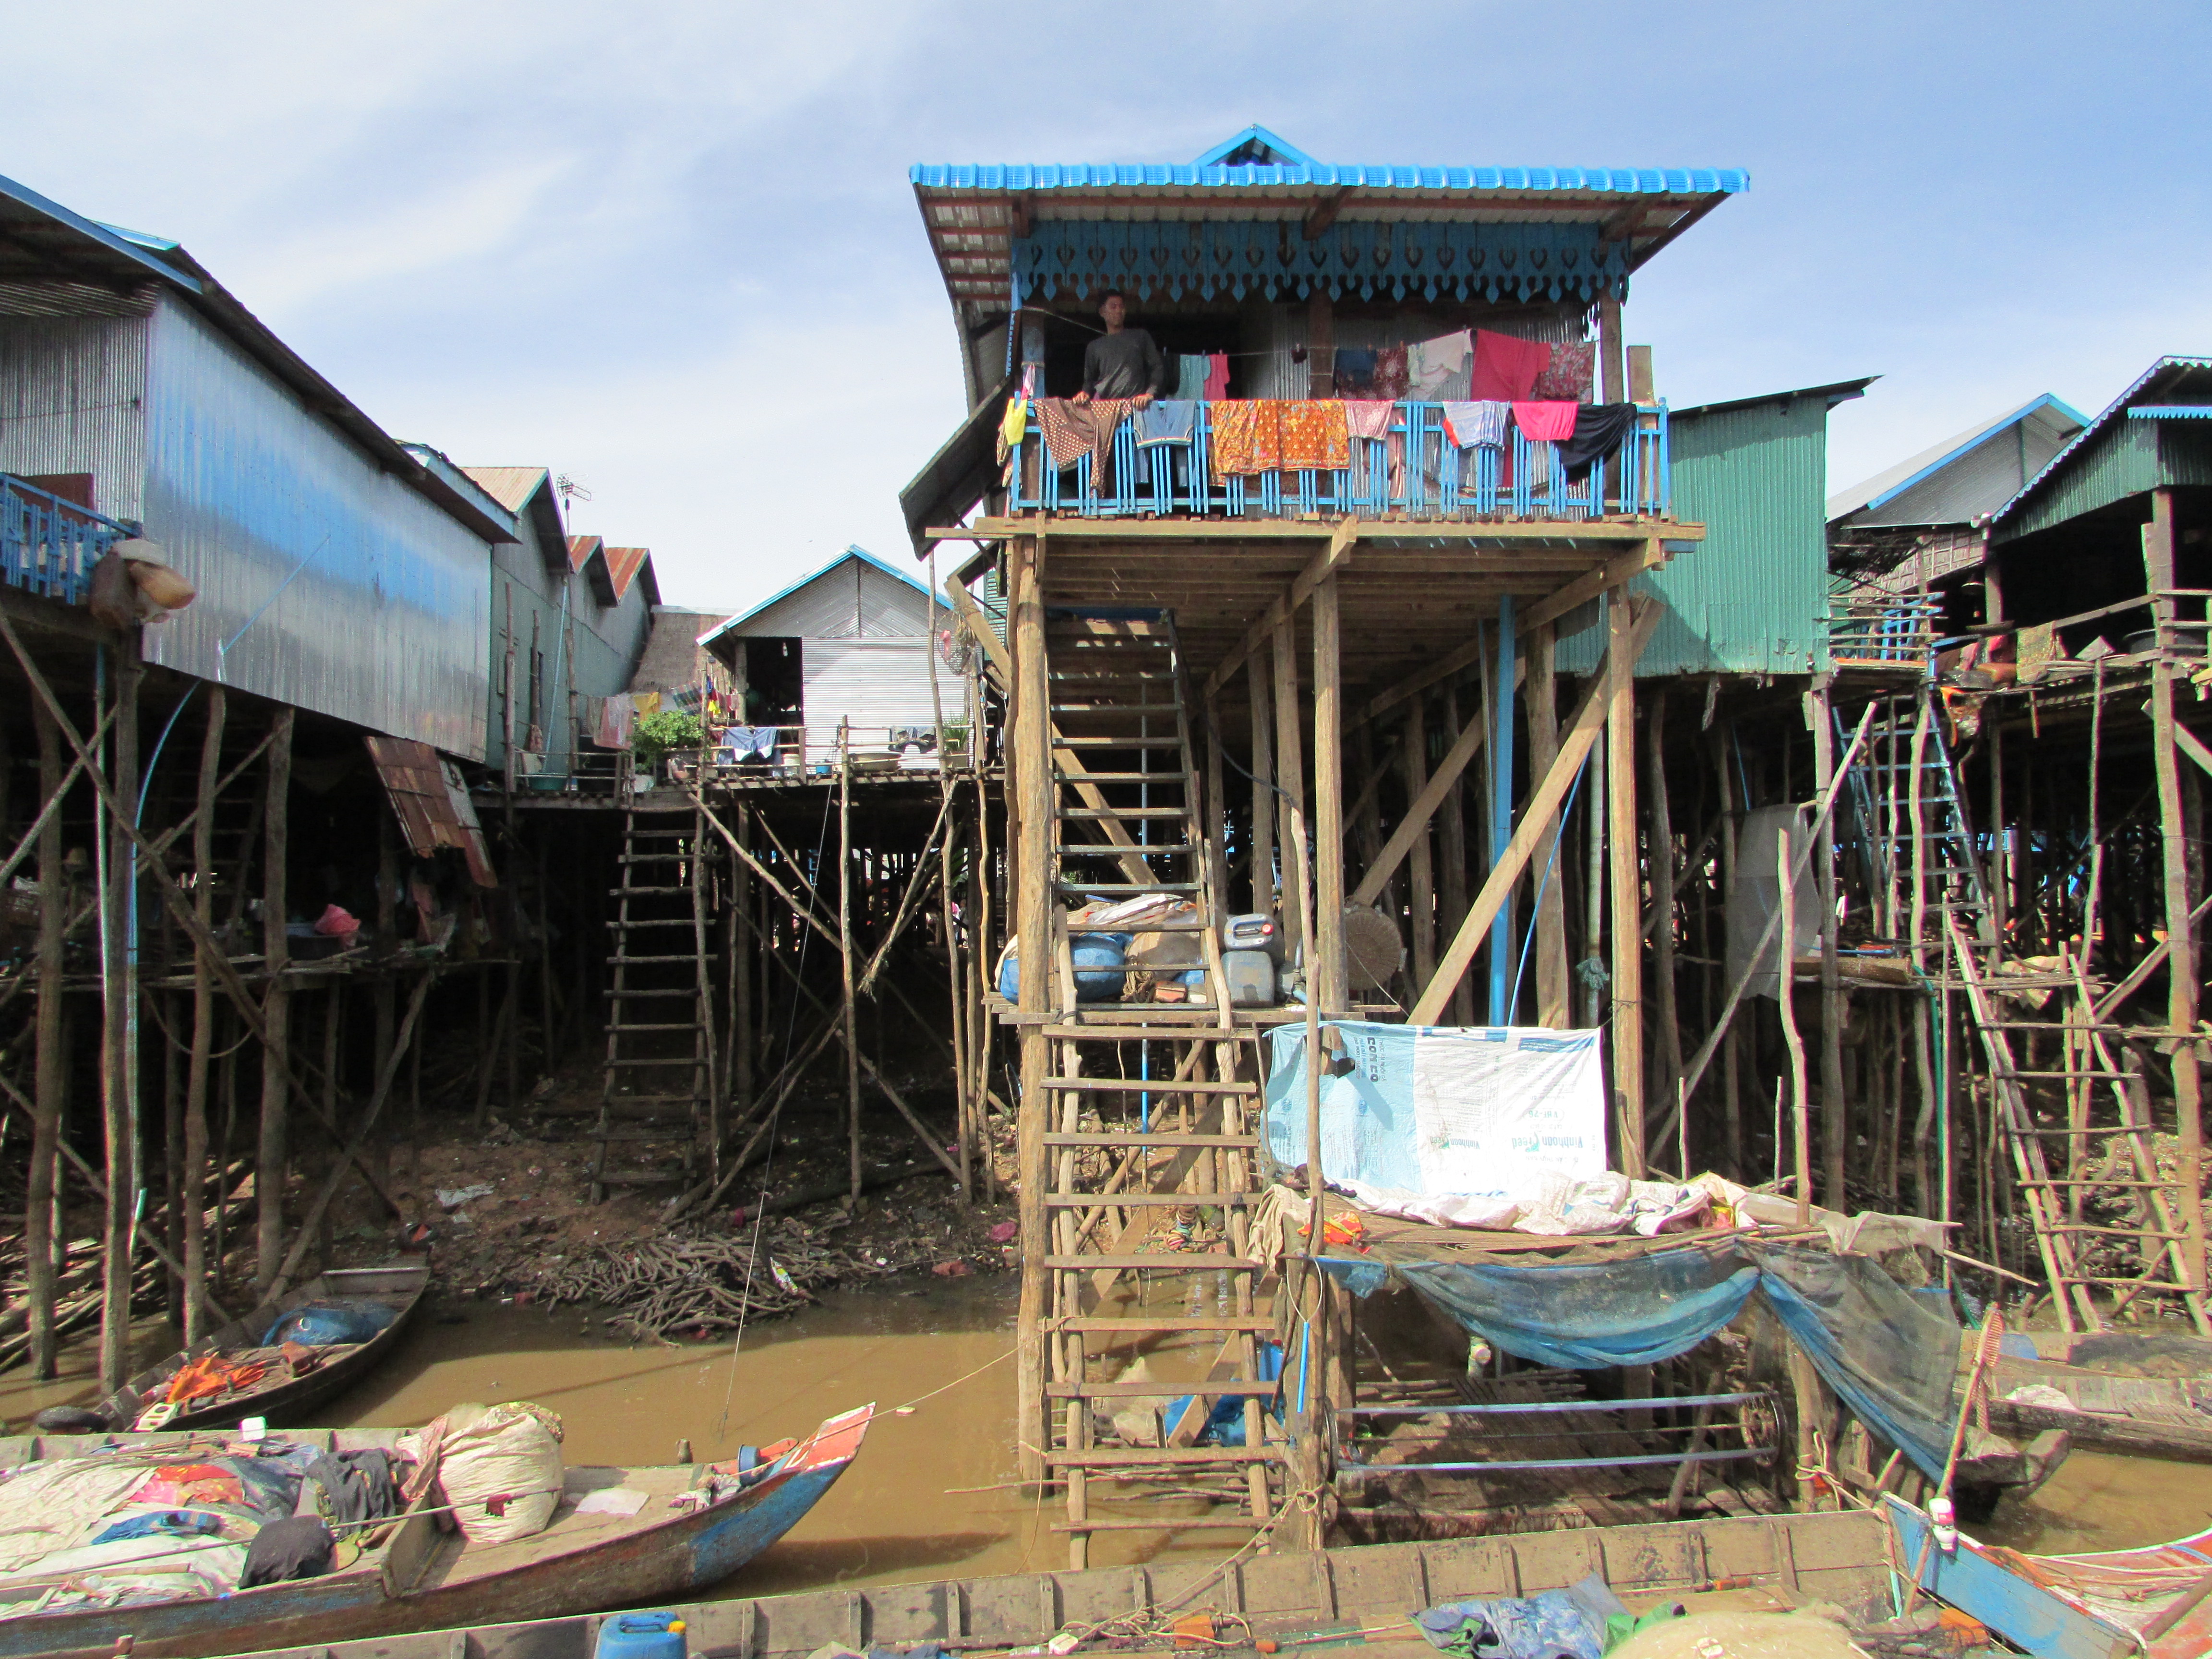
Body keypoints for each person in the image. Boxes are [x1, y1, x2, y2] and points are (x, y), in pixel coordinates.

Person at [1073, 291, 1165, 408]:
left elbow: (1157, 367)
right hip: (1106, 410)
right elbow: (1089, 383)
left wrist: (1150, 394)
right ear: (1102, 312)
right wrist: (1083, 395)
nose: (1118, 310)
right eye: (1113, 307)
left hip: (1135, 409)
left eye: (1121, 307)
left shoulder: (1140, 337)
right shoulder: (1094, 347)